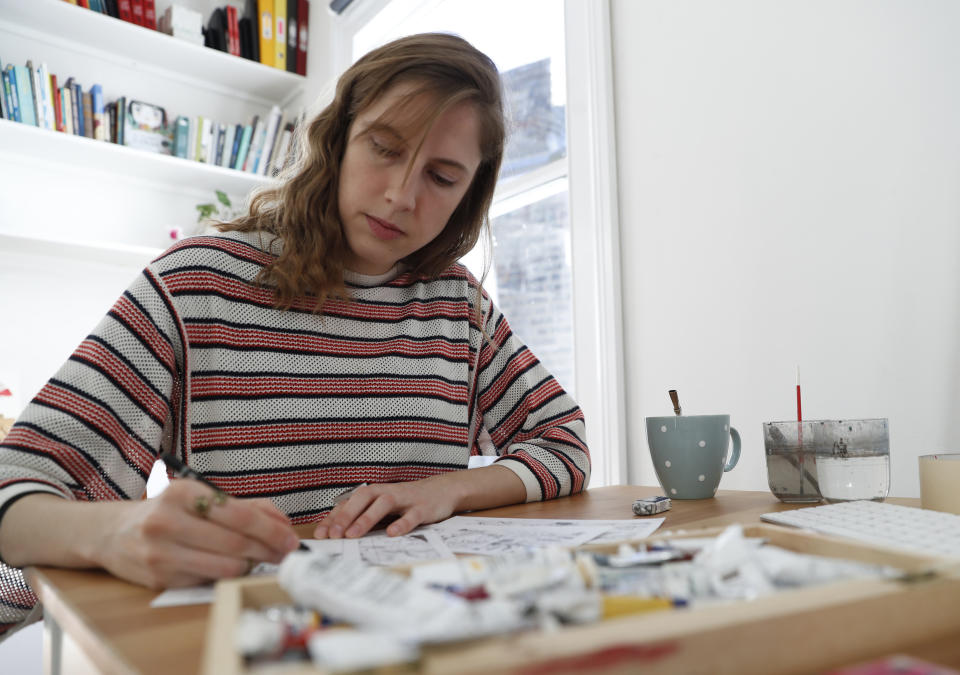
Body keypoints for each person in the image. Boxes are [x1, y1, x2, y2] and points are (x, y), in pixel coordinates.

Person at [0, 33, 589, 639]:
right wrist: (117, 531)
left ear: (470, 194)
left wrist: (446, 491)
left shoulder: (458, 305)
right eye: (383, 148)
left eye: (441, 177)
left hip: (430, 637)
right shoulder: (195, 284)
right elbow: (15, 495)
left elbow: (564, 445)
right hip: (258, 642)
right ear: (337, 140)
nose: (401, 195)